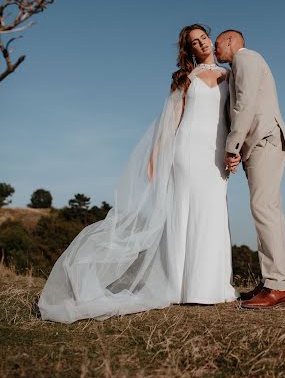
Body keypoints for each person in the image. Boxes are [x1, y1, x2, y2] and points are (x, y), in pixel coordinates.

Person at [38, 24, 238, 323]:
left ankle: (209, 286)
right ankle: (179, 287)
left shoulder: (230, 76)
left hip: (214, 153)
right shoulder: (186, 79)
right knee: (182, 213)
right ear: (190, 50)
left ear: (211, 39)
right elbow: (170, 121)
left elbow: (237, 117)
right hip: (185, 151)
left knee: (211, 212)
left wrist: (234, 151)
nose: (202, 44)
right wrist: (156, 156)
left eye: (204, 38)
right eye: (194, 43)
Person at [214, 30, 285, 309]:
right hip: (260, 143)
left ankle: (276, 287)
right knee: (267, 209)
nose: (214, 51)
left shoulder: (246, 59)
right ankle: (272, 281)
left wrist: (231, 147)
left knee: (264, 209)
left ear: (230, 42)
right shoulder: (239, 66)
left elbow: (244, 105)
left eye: (217, 45)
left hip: (265, 140)